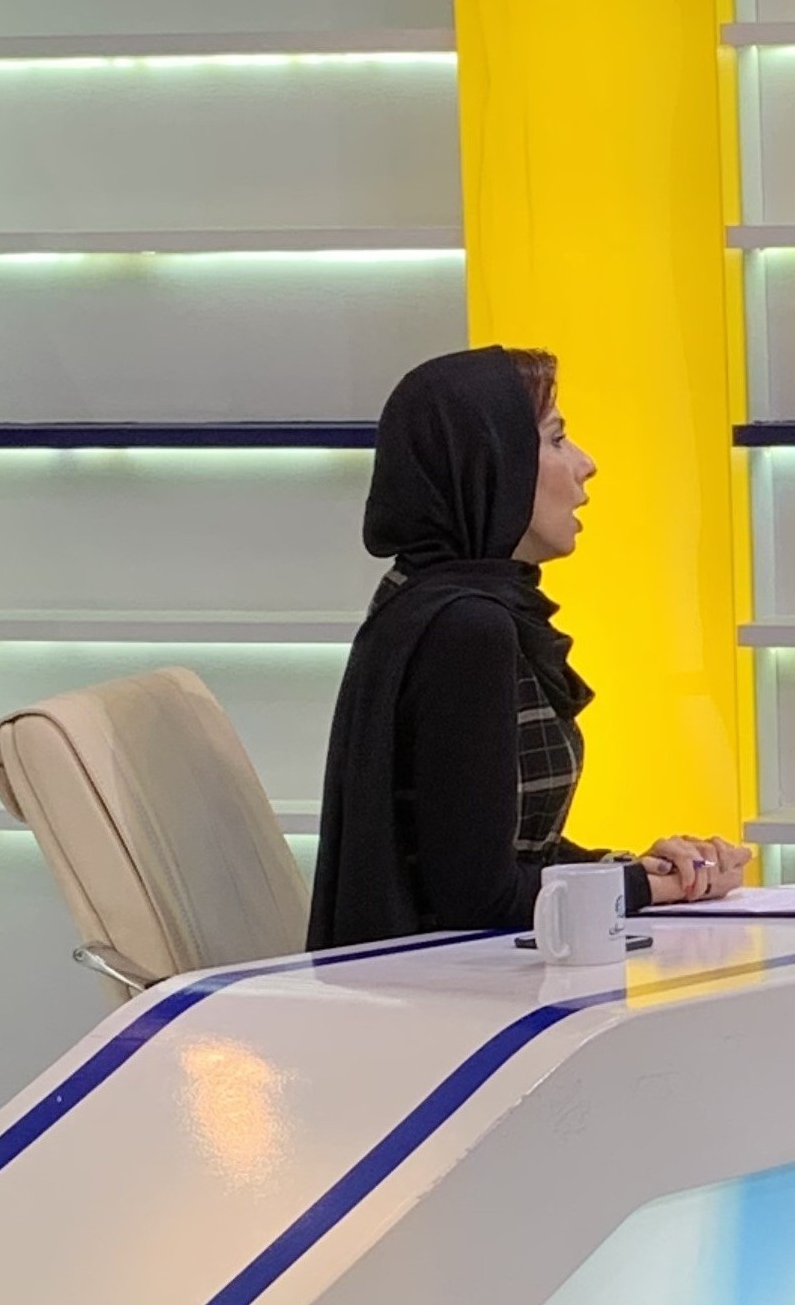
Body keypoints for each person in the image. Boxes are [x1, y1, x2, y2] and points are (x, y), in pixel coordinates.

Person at [309, 347, 752, 949]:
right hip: (447, 991)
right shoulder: (466, 628)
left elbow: (500, 858)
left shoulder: (427, 601)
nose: (587, 465)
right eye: (557, 439)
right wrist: (649, 887)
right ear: (491, 461)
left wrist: (640, 872)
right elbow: (478, 899)